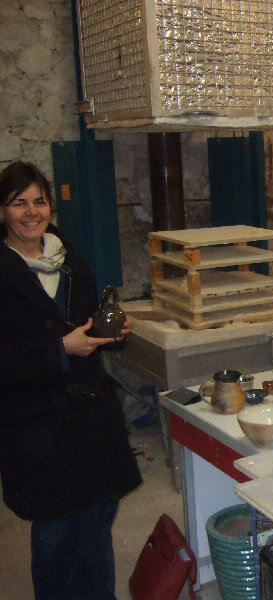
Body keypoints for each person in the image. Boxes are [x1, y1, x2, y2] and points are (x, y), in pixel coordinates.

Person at [0, 161, 142, 599]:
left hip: (90, 416)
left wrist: (112, 334)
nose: (30, 212)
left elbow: (90, 327)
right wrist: (61, 351)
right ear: (1, 211)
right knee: (56, 531)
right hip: (36, 425)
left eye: (38, 201)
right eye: (17, 203)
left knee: (98, 519)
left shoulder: (67, 257)